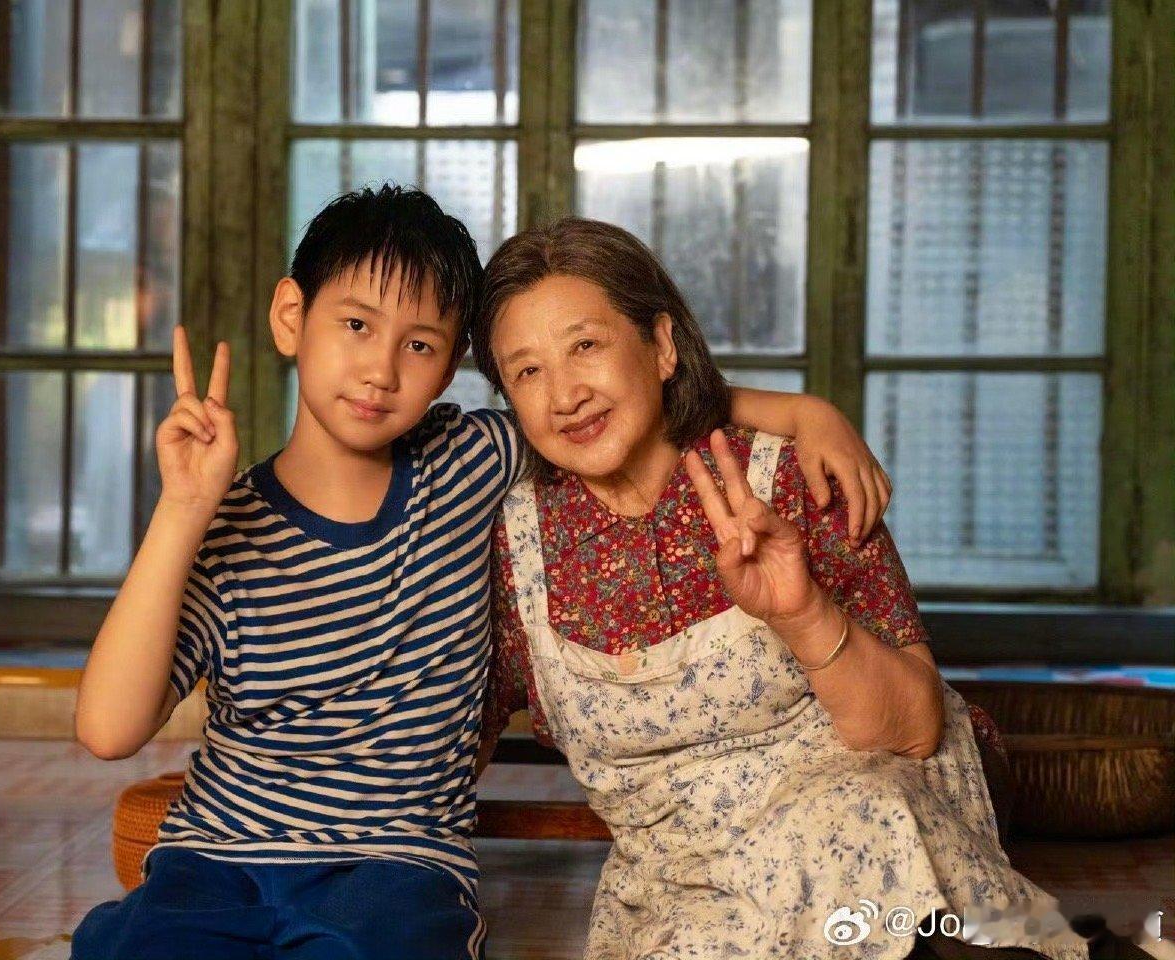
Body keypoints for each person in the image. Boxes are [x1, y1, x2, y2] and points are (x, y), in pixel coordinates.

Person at [70, 187, 892, 960]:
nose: (381, 369)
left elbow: (627, 402)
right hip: (216, 859)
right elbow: (108, 730)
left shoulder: (471, 460)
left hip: (395, 868)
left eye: (419, 345)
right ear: (292, 317)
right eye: (355, 325)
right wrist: (182, 509)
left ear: (452, 364)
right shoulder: (220, 525)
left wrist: (806, 413)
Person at [471, 218, 1111, 960]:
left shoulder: (795, 479)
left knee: (858, 819)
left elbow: (913, 728)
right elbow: (456, 729)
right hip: (687, 890)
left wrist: (803, 613)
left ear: (662, 346)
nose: (565, 395)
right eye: (527, 371)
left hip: (870, 821)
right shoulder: (515, 542)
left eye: (585, 346)